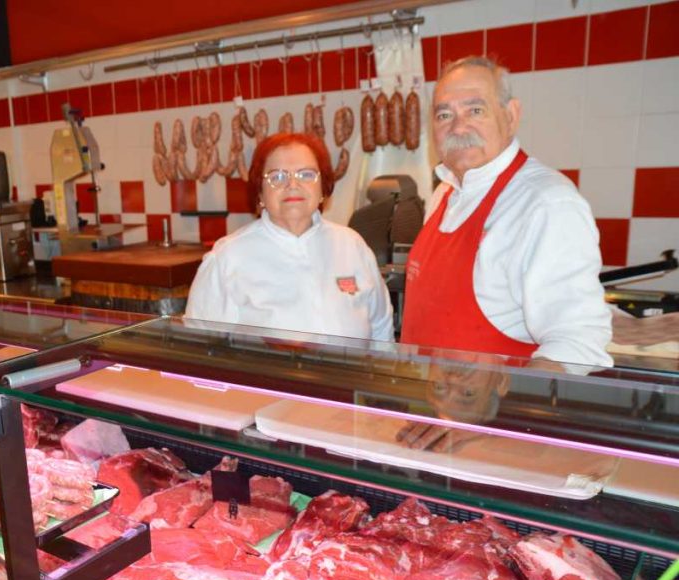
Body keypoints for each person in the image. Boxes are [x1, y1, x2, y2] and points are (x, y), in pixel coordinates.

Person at [401, 56, 612, 369]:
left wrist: (519, 398)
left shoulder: (546, 203)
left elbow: (577, 340)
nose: (458, 127)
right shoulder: (444, 193)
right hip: (423, 395)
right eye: (444, 114)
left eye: (475, 110)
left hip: (493, 401)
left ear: (511, 116)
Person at [185, 132, 393, 341]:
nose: (293, 185)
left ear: (322, 189)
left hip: (352, 365)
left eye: (306, 175)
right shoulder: (227, 257)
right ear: (260, 193)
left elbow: (381, 329)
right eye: (277, 177)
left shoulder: (351, 245)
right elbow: (198, 344)